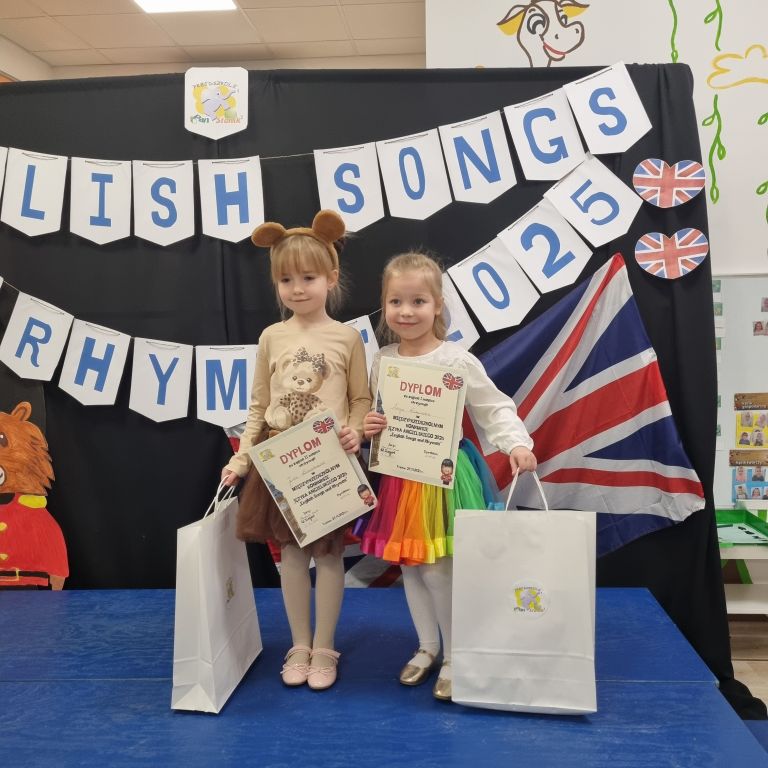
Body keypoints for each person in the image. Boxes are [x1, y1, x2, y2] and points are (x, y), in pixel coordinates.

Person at [359, 251, 537, 702]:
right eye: (396, 302)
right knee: (410, 568)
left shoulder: (456, 360)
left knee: (439, 571)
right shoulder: (382, 360)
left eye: (418, 301)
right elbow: (376, 414)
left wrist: (517, 443)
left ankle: (457, 655)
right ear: (384, 305)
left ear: (437, 304)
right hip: (401, 479)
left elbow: (493, 406)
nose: (406, 311)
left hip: (445, 479)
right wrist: (371, 425)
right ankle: (427, 647)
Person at [221, 210, 371, 691]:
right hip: (280, 462)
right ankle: (299, 643)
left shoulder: (347, 337)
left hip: (328, 462)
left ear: (331, 277)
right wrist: (241, 458)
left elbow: (361, 399)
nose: (297, 288)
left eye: (308, 277)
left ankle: (325, 645)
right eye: (286, 280)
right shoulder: (272, 336)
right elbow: (259, 406)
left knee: (327, 555)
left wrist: (355, 432)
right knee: (289, 553)